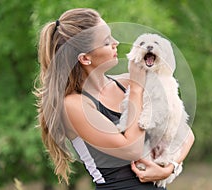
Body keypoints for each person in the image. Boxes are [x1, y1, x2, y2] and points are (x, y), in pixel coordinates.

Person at [35, 8, 194, 190]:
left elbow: (184, 132)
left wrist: (170, 168)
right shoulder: (74, 104)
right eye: (106, 42)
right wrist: (136, 89)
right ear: (85, 58)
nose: (115, 43)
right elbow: (131, 149)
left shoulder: (126, 82)